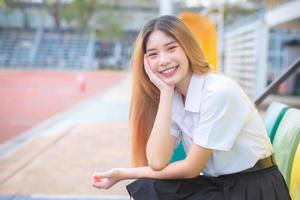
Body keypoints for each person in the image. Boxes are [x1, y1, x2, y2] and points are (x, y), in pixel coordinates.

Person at [92, 15, 291, 200]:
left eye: (171, 48)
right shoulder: (176, 95)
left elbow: (190, 168)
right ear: (146, 63)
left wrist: (123, 173)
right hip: (221, 185)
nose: (164, 60)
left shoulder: (217, 92)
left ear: (187, 47)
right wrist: (166, 93)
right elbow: (157, 161)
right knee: (149, 187)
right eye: (153, 54)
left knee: (148, 189)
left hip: (253, 189)